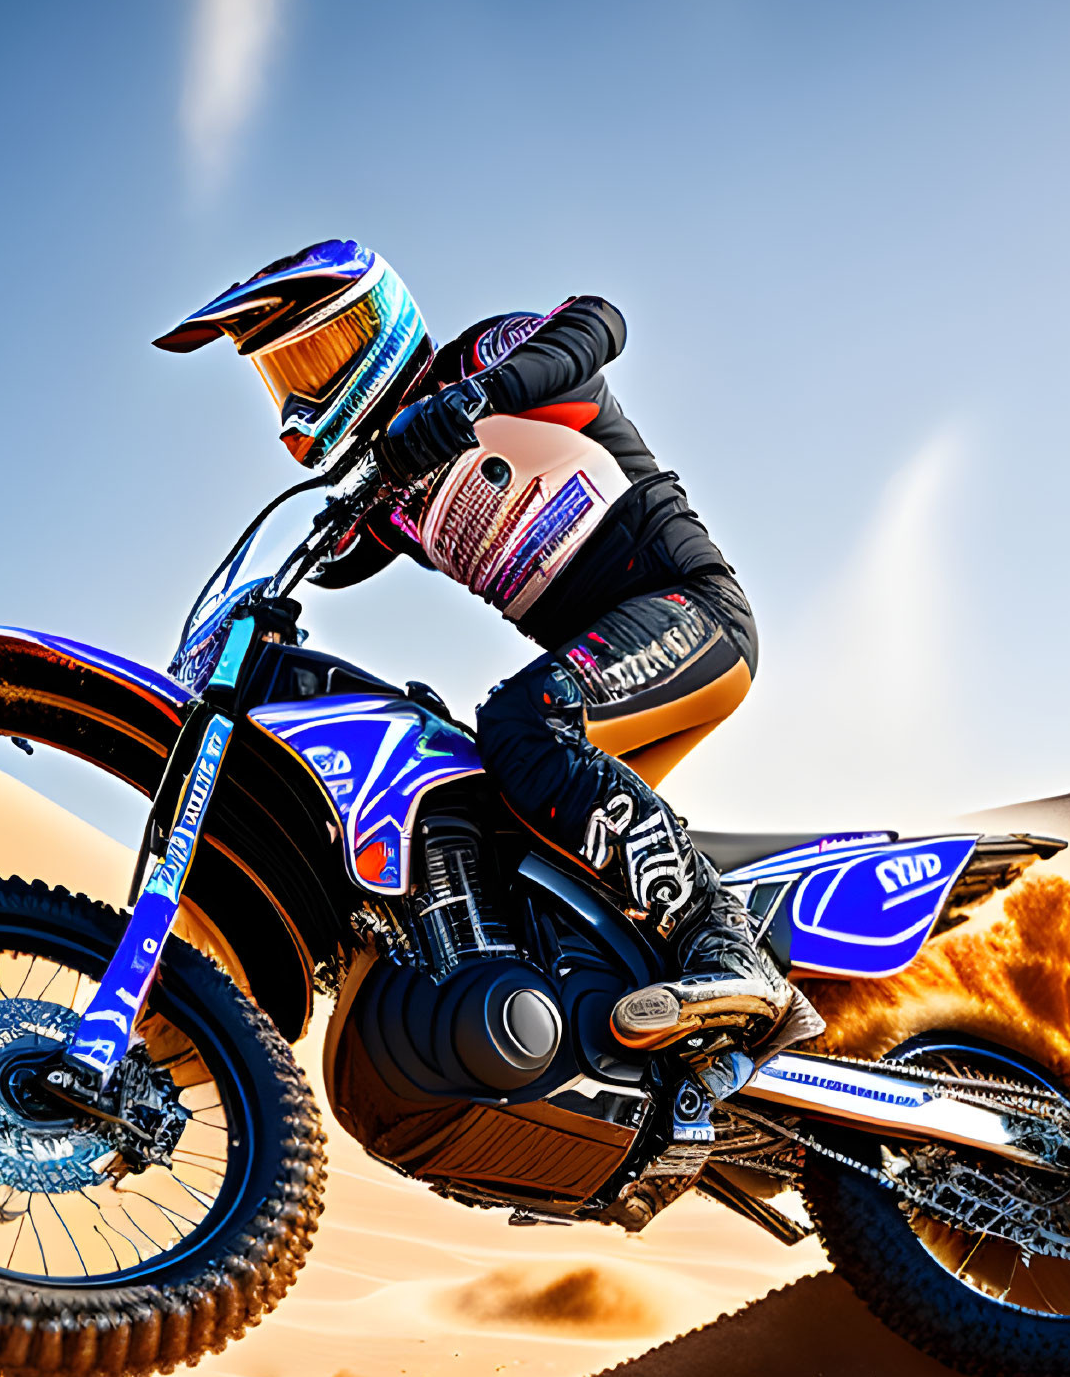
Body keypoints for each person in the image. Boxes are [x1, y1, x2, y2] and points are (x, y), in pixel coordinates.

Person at [155, 239, 817, 1056]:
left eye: (317, 355)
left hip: (693, 617)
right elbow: (331, 562)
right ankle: (608, 1035)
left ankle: (730, 949)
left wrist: (472, 400)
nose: (302, 390)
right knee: (481, 817)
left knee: (520, 722)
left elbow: (598, 323)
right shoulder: (388, 497)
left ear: (377, 328)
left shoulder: (484, 358)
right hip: (605, 679)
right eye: (283, 375)